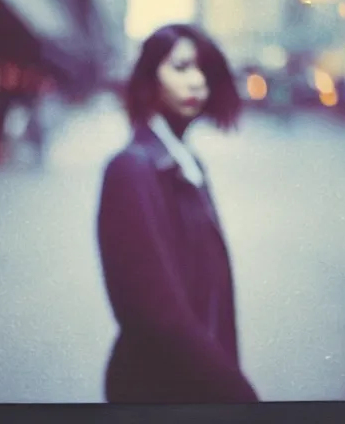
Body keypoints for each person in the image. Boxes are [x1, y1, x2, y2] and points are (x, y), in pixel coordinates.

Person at [97, 24, 260, 404]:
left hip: (191, 377)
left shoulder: (187, 162)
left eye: (205, 71)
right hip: (160, 386)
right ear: (149, 76)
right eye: (182, 67)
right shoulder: (132, 168)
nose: (198, 82)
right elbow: (156, 313)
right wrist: (237, 392)